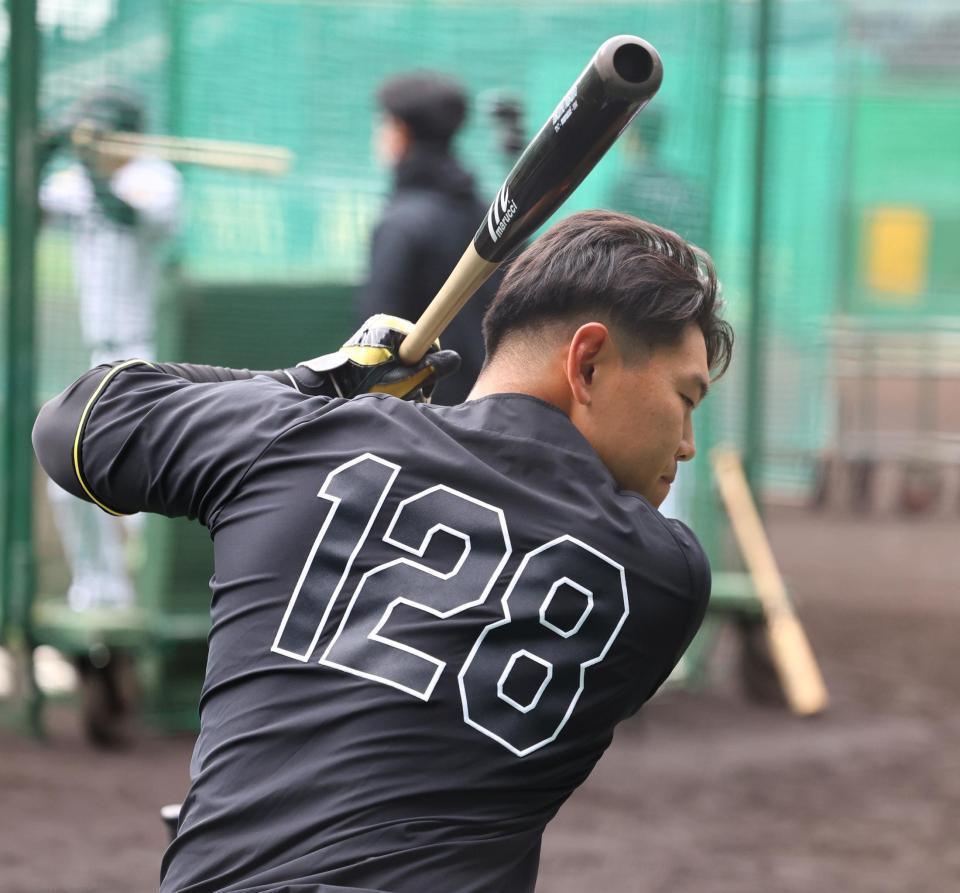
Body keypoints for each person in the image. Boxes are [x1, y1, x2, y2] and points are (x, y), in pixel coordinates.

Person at [33, 210, 733, 893]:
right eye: (685, 398)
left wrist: (314, 382)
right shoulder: (663, 577)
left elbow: (74, 424)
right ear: (586, 362)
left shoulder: (301, 437)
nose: (685, 443)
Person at [39, 87, 183, 613]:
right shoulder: (75, 180)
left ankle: (155, 598)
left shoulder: (156, 177)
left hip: (148, 357)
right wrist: (41, 155)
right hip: (95, 357)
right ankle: (100, 593)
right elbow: (26, 213)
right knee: (66, 479)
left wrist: (88, 167)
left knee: (145, 488)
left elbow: (125, 215)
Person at [356, 70, 507, 405]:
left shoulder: (401, 224)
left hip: (422, 416)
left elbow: (373, 342)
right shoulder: (491, 215)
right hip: (493, 404)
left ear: (401, 132)